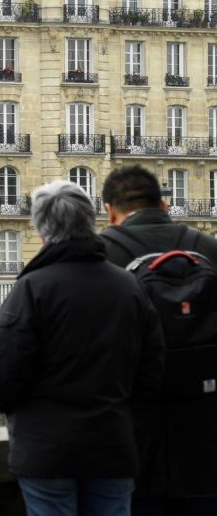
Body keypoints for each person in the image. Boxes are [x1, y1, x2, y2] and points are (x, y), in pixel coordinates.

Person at [0, 180, 163, 516]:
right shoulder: (129, 286)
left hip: (46, 451)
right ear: (90, 221)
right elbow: (151, 372)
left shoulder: (33, 288)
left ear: (41, 229)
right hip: (112, 445)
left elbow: (1, 373)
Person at [101, 165, 217, 515]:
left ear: (109, 209)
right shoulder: (209, 248)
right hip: (206, 428)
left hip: (135, 428)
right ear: (163, 205)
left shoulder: (101, 255)